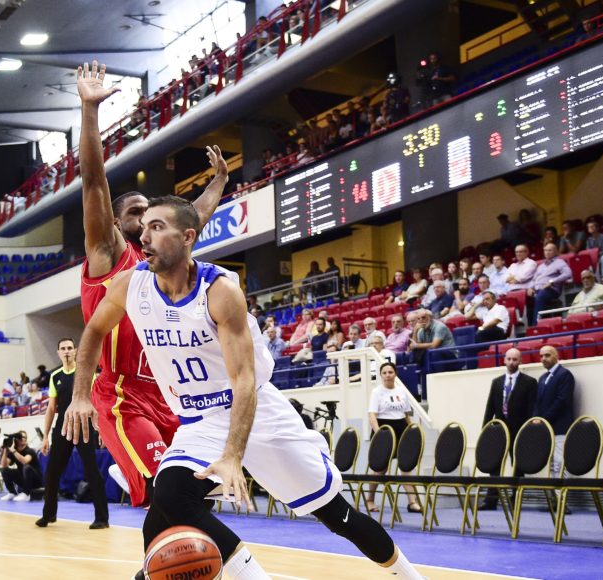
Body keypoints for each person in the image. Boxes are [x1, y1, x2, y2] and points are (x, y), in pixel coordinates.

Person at [64, 195, 423, 579]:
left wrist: (233, 456)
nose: (145, 236)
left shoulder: (219, 291)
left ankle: (411, 576)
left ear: (187, 237)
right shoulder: (131, 285)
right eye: (144, 227)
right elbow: (94, 331)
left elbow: (244, 382)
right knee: (168, 500)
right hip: (201, 419)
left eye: (157, 226)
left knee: (336, 515)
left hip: (256, 411)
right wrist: (81, 395)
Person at [76, 62, 228, 510]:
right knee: (170, 493)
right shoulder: (110, 253)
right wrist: (90, 111)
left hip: (170, 394)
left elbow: (195, 216)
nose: (145, 220)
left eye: (151, 214)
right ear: (116, 222)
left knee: (198, 495)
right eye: (135, 214)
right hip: (124, 394)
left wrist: (220, 180)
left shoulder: (160, 264)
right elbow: (93, 182)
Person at [38, 338, 108, 529]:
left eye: (70, 348)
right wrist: (45, 436)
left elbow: (98, 402)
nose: (67, 351)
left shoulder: (86, 373)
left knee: (92, 470)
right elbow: (51, 409)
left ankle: (102, 518)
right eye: (63, 348)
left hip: (84, 424)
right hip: (62, 426)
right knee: (52, 472)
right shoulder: (55, 376)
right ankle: (48, 515)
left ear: (76, 351)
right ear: (58, 353)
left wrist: (102, 430)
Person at [479, 348, 537, 510]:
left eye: (515, 359)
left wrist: (528, 432)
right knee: (494, 464)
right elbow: (490, 407)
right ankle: (491, 499)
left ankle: (515, 498)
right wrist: (485, 429)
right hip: (499, 430)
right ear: (504, 360)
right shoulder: (497, 382)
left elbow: (531, 409)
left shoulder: (529, 382)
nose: (511, 362)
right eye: (509, 359)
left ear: (520, 361)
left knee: (518, 465)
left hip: (519, 430)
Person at [364, 361, 422, 514]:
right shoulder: (377, 392)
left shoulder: (402, 391)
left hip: (401, 428)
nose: (387, 375)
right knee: (380, 469)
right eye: (384, 373)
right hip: (384, 430)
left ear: (395, 374)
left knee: (406, 466)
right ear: (381, 375)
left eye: (390, 372)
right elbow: (372, 415)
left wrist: (412, 429)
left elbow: (406, 414)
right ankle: (370, 500)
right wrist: (379, 434)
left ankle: (412, 502)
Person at [535, 346, 575, 480]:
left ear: (556, 356)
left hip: (560, 427)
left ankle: (564, 493)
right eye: (541, 356)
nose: (543, 359)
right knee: (552, 464)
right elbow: (538, 402)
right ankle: (556, 493)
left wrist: (544, 419)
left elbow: (562, 401)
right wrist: (536, 418)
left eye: (547, 355)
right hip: (547, 428)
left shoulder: (565, 375)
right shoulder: (542, 378)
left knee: (560, 463)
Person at [526, 243, 572, 325]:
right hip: (537, 290)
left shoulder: (560, 262)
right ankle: (529, 327)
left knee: (540, 296)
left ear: (556, 251)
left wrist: (552, 281)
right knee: (526, 299)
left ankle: (536, 325)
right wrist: (530, 288)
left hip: (550, 290)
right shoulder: (541, 266)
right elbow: (533, 279)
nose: (547, 252)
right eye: (545, 250)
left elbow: (568, 273)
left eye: (550, 250)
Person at [0, 431, 43, 502]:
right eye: (20, 437)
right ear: (16, 439)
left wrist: (13, 451)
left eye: (24, 437)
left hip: (36, 480)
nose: (23, 439)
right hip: (24, 479)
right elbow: (3, 465)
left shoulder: (30, 450)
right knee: (4, 470)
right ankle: (12, 492)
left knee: (26, 467)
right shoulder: (13, 451)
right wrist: (5, 451)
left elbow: (25, 461)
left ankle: (26, 494)